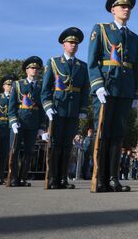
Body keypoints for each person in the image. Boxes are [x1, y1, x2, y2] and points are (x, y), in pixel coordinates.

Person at [88, 0, 138, 193]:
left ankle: (112, 178)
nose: (126, 9)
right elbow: (92, 62)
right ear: (113, 9)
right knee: (102, 133)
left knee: (118, 135)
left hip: (125, 90)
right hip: (106, 88)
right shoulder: (101, 30)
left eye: (128, 7)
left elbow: (136, 66)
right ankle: (100, 177)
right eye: (122, 6)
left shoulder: (134, 37)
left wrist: (135, 93)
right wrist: (97, 85)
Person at [41, 27, 89, 189]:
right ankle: (53, 178)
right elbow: (46, 89)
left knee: (67, 146)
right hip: (57, 109)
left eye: (76, 43)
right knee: (55, 145)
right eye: (70, 42)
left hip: (73, 111)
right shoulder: (54, 63)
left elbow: (85, 90)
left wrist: (83, 109)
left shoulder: (82, 66)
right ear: (63, 44)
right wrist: (47, 106)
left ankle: (63, 178)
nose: (73, 45)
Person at [7, 56, 47, 187]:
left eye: (37, 68)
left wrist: (42, 126)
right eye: (32, 68)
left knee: (29, 152)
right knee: (15, 150)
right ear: (26, 70)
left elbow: (41, 108)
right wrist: (13, 121)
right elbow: (12, 106)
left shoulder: (40, 87)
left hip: (33, 123)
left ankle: (23, 178)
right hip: (19, 122)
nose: (35, 70)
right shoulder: (17, 84)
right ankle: (13, 177)